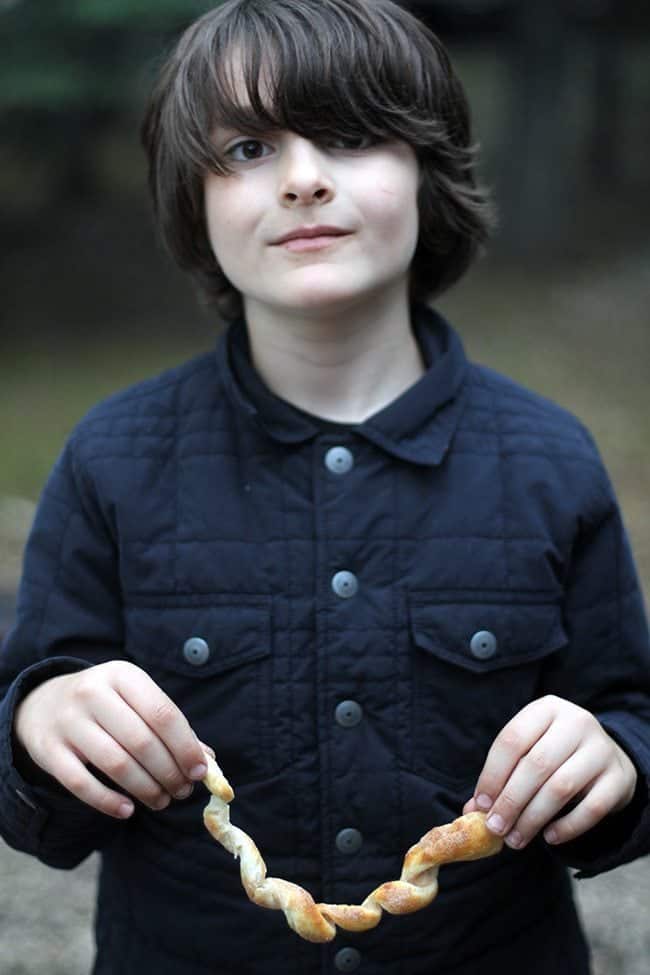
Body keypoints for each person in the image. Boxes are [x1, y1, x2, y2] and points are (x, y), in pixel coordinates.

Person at [1, 0, 648, 972]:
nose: (303, 180)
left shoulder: (549, 461)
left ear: (427, 169)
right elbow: (29, 785)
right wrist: (35, 721)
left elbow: (628, 710)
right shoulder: (112, 460)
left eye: (348, 136)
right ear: (194, 198)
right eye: (249, 149)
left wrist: (618, 757)